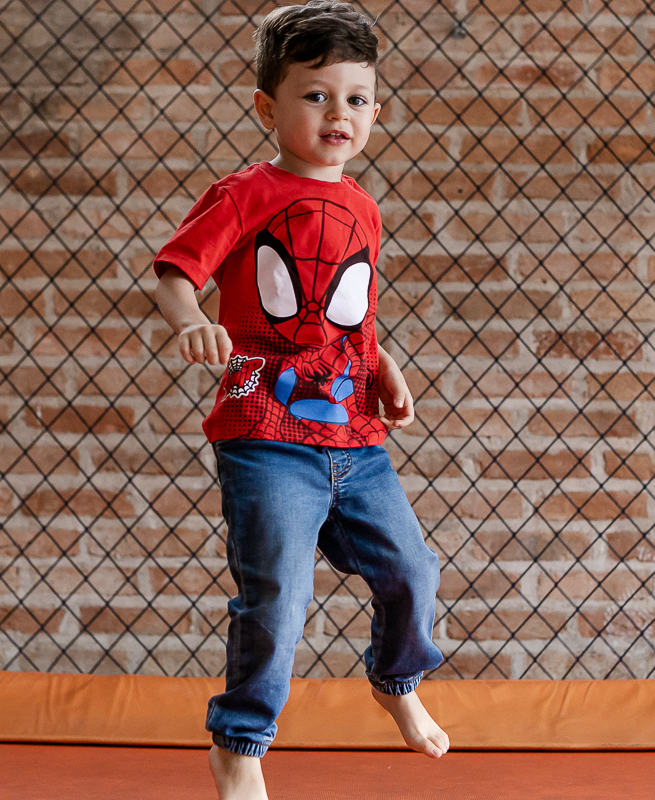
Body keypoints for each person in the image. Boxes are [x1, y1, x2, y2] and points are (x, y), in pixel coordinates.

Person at [150, 3, 449, 798]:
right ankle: (241, 743)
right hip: (265, 431)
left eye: (355, 98)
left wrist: (384, 366)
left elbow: (346, 310)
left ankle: (396, 681)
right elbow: (178, 270)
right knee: (279, 588)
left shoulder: (364, 208)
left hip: (354, 434)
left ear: (376, 111)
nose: (338, 114)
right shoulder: (246, 192)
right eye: (315, 96)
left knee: (413, 570)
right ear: (267, 109)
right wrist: (193, 321)